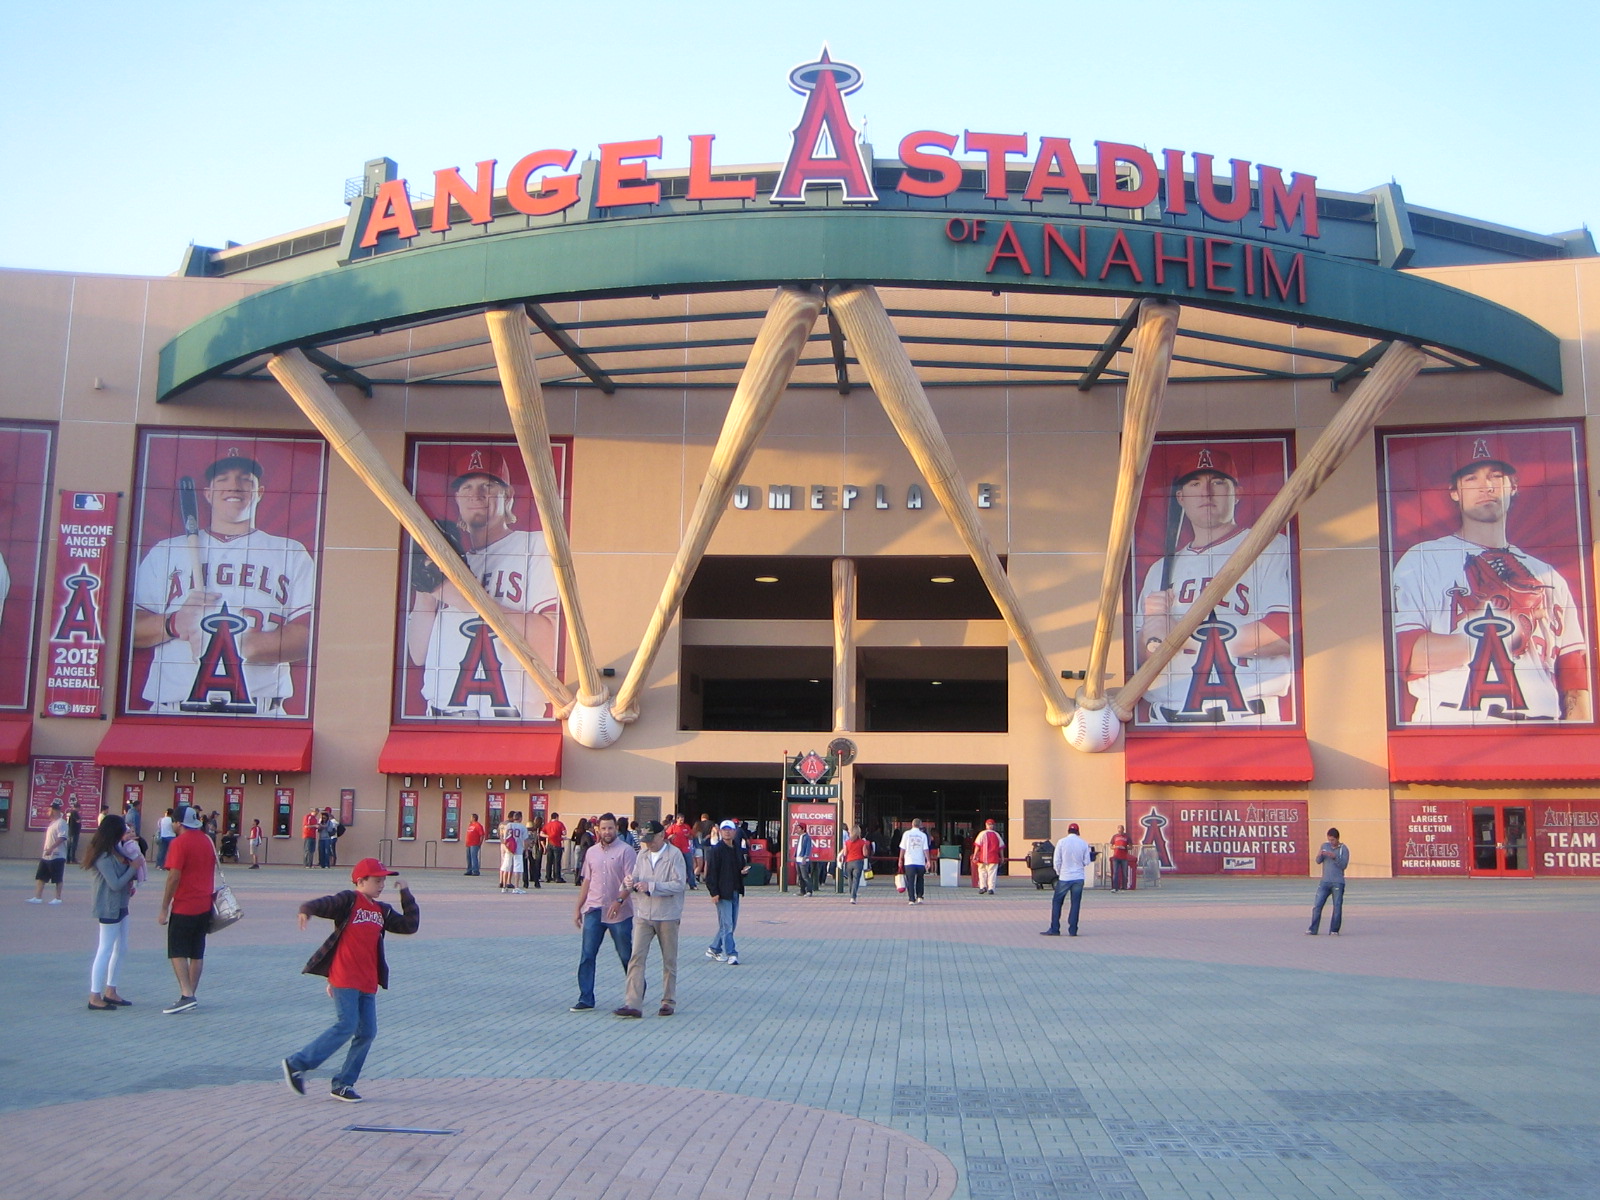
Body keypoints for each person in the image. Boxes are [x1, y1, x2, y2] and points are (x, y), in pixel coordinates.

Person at [1391, 442, 1590, 724]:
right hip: (1453, 721)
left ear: (1513, 486)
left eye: (1496, 476)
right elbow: (1407, 657)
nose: (1485, 486)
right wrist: (1504, 630)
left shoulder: (1547, 575)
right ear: (1455, 492)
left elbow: (1574, 677)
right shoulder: (1424, 559)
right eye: (1471, 478)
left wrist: (1576, 741)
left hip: (1544, 727)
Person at [131, 453, 315, 716]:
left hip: (261, 712)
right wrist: (174, 623)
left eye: (245, 479)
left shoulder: (289, 552)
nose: (234, 486)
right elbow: (129, 630)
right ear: (208, 493)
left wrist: (232, 645)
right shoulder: (167, 551)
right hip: (173, 711)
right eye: (223, 479)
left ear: (260, 492)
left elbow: (309, 636)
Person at [1136, 447, 1294, 724]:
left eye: (1218, 482)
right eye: (1195, 484)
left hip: (1246, 719)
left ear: (1238, 493)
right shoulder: (1160, 569)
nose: (1206, 493)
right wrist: (1152, 632)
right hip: (1165, 722)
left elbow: (1284, 633)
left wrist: (1181, 637)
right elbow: (1141, 657)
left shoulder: (1267, 547)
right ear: (1181, 498)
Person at [406, 449, 559, 719]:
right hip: (442, 718)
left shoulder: (534, 545)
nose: (475, 496)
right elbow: (418, 655)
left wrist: (463, 598)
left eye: (487, 486)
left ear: (508, 496)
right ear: (457, 498)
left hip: (512, 717)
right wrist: (427, 590)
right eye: (466, 487)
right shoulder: (450, 561)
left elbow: (549, 642)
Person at [282, 857, 419, 1103]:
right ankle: (296, 1064)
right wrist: (306, 909)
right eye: (377, 880)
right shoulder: (349, 901)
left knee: (367, 1032)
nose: (381, 885)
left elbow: (410, 925)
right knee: (347, 1025)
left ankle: (343, 1084)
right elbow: (325, 904)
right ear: (361, 881)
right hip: (345, 976)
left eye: (383, 881)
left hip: (368, 981)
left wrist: (406, 894)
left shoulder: (382, 911)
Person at [616, 821, 686, 1018]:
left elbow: (679, 884)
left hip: (667, 915)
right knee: (636, 958)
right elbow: (635, 878)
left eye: (651, 839)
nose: (648, 844)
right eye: (645, 840)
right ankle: (633, 1003)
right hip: (644, 914)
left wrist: (652, 887)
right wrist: (628, 882)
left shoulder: (674, 855)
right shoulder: (642, 855)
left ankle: (668, 1001)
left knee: (669, 959)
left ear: (662, 835)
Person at [570, 813, 634, 1012]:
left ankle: (636, 992)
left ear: (616, 829)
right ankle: (586, 998)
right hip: (594, 909)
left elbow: (631, 881)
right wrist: (578, 908)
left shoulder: (626, 851)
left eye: (610, 828)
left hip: (619, 912)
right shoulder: (591, 852)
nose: (607, 832)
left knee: (626, 955)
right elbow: (587, 881)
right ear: (598, 829)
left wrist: (619, 900)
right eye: (604, 828)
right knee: (587, 955)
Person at [158, 807, 216, 1012]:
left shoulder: (179, 843)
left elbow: (173, 876)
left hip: (185, 904)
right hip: (205, 903)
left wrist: (164, 907)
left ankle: (186, 994)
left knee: (177, 950)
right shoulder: (207, 840)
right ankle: (191, 993)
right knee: (196, 952)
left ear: (178, 823)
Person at [83, 813, 143, 1009]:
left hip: (121, 904)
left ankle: (111, 990)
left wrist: (132, 876)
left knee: (121, 947)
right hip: (108, 906)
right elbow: (115, 884)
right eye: (121, 831)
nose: (124, 834)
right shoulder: (102, 856)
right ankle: (94, 995)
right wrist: (133, 869)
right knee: (105, 949)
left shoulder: (116, 849)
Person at [703, 820, 747, 965]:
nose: (727, 832)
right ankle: (731, 953)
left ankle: (714, 948)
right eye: (724, 829)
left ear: (735, 832)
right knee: (727, 924)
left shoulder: (737, 849)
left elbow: (739, 867)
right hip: (722, 892)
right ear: (720, 832)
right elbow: (710, 874)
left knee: (730, 924)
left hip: (735, 890)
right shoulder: (717, 850)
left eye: (730, 829)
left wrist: (743, 872)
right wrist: (714, 892)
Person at [1042, 822, 1093, 937]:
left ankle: (1055, 928)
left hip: (1065, 877)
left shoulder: (1061, 842)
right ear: (1078, 831)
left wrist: (1059, 872)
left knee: (1057, 902)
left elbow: (1056, 860)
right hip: (1078, 877)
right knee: (1075, 903)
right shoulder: (1084, 843)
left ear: (1068, 831)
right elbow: (1087, 861)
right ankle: (1073, 929)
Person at [1307, 828, 1350, 936]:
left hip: (1338, 882)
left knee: (1337, 906)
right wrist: (1320, 855)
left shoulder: (1343, 849)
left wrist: (1335, 857)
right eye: (1329, 840)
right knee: (1317, 905)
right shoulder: (1325, 846)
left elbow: (1343, 865)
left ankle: (1334, 930)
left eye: (1333, 840)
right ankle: (1313, 929)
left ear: (1337, 839)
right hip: (1325, 881)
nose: (1331, 842)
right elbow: (1318, 861)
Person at [28, 800, 70, 904]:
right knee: (41, 876)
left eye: (49, 810)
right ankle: (38, 897)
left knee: (57, 878)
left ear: (55, 811)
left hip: (57, 855)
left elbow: (62, 838)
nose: (47, 812)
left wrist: (51, 848)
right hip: (46, 856)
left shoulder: (61, 823)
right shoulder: (52, 823)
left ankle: (57, 898)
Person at [899, 818, 930, 905]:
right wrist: (928, 860)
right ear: (920, 825)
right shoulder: (923, 835)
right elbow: (925, 849)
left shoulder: (906, 834)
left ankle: (911, 899)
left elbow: (903, 848)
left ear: (912, 824)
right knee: (920, 879)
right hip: (920, 862)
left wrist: (900, 859)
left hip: (909, 861)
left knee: (910, 881)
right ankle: (919, 897)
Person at [971, 818, 1005, 894]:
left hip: (982, 858)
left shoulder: (982, 834)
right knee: (992, 873)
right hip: (993, 858)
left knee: (982, 872)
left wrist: (975, 855)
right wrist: (1002, 857)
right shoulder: (997, 835)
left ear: (986, 825)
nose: (990, 826)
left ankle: (983, 887)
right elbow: (1001, 847)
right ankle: (991, 888)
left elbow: (977, 846)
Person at [664, 813, 695, 890]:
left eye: (683, 820)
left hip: (686, 849)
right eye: (680, 820)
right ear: (677, 819)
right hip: (676, 850)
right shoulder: (672, 827)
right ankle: (676, 883)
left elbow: (692, 837)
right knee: (676, 867)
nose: (682, 821)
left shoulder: (686, 827)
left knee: (689, 866)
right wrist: (670, 837)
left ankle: (692, 884)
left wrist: (688, 836)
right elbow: (666, 837)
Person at [840, 824, 870, 904]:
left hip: (849, 862)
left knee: (850, 879)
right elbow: (865, 854)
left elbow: (845, 853)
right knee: (856, 880)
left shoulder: (847, 842)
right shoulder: (862, 842)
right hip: (858, 862)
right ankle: (853, 897)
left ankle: (851, 894)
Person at [500, 810, 527, 894]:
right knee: (517, 868)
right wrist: (526, 850)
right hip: (518, 849)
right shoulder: (522, 827)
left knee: (506, 867)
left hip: (509, 849)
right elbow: (525, 840)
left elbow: (504, 838)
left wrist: (506, 847)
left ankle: (504, 886)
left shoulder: (508, 825)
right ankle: (516, 887)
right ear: (520, 818)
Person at [543, 811, 566, 882]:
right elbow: (564, 833)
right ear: (557, 817)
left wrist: (548, 836)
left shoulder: (547, 824)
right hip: (557, 844)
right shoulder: (560, 824)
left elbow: (541, 833)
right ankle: (557, 877)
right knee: (557, 862)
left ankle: (548, 876)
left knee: (549, 861)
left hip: (550, 843)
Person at [572, 817, 595, 885]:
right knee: (581, 866)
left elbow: (572, 838)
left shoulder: (577, 830)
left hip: (578, 847)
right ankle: (578, 879)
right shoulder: (587, 834)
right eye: (592, 827)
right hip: (584, 851)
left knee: (578, 864)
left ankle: (578, 878)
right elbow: (590, 843)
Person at [793, 826, 815, 896]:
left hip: (803, 859)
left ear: (803, 829)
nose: (797, 830)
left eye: (799, 828)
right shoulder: (800, 837)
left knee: (805, 876)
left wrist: (805, 856)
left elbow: (808, 847)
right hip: (798, 859)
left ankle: (809, 891)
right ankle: (802, 891)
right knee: (800, 876)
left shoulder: (807, 837)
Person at [1109, 825, 1132, 892]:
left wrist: (1125, 847)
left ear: (1123, 830)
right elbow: (1111, 846)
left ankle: (1124, 887)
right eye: (1119, 830)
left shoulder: (1127, 837)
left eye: (1121, 830)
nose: (1120, 831)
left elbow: (1131, 846)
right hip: (1116, 857)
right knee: (1115, 872)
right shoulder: (1115, 836)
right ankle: (1115, 887)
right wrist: (1116, 847)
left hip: (1124, 857)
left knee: (1124, 873)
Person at [525, 813, 544, 890]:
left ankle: (526, 882)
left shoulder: (526, 832)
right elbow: (536, 841)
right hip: (534, 849)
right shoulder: (536, 832)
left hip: (527, 849)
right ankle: (536, 882)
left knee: (527, 866)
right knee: (535, 865)